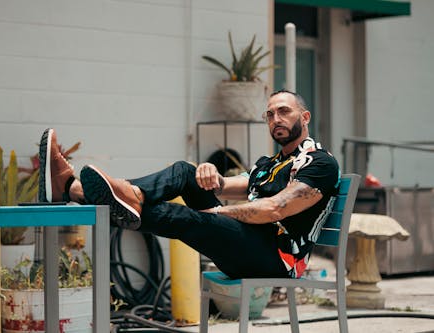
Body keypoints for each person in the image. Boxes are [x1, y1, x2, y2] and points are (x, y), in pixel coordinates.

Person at [38, 89, 340, 279]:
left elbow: (275, 208)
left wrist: (217, 215)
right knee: (186, 171)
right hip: (245, 242)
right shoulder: (269, 164)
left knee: (186, 217)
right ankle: (129, 194)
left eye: (284, 112)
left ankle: (72, 190)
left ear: (305, 116)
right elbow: (224, 185)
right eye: (270, 114)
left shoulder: (321, 164)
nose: (276, 119)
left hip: (275, 258)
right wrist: (208, 175)